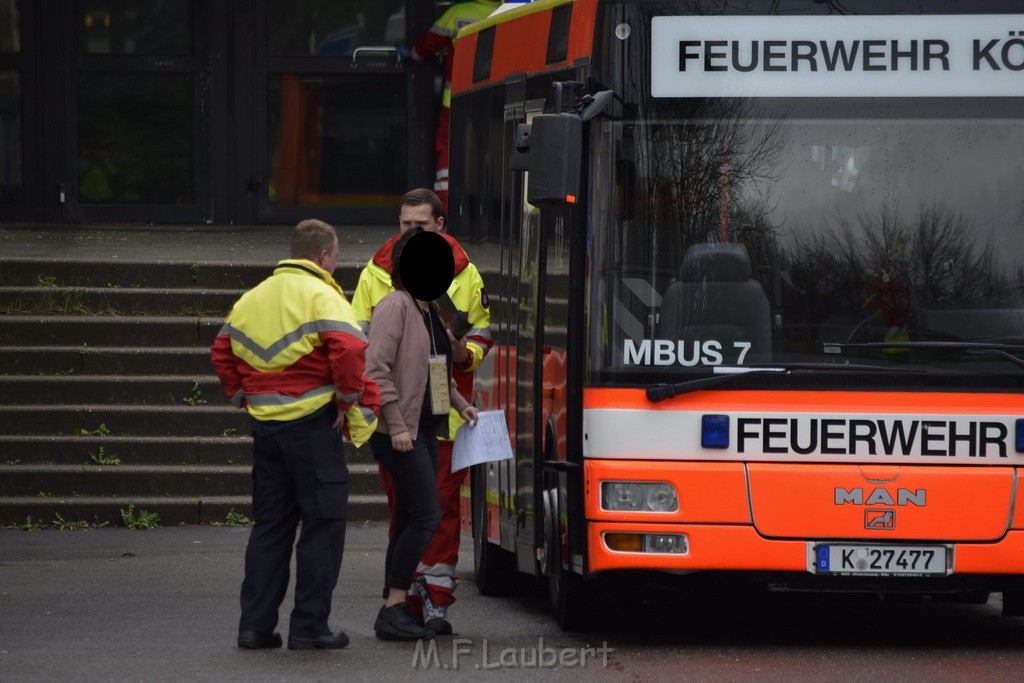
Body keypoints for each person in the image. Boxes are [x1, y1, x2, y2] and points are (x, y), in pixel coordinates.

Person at [210, 219, 380, 651]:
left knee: (270, 527)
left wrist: (246, 398)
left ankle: (255, 628)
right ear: (324, 256)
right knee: (323, 525)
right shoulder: (324, 295)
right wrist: (346, 402)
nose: (336, 265)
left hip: (267, 431)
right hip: (313, 428)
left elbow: (221, 350)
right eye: (336, 258)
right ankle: (309, 627)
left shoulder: (252, 298)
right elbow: (352, 349)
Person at [351, 188, 492, 636]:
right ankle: (401, 600)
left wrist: (462, 379)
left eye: (421, 225)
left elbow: (472, 341)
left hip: (438, 421)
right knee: (411, 510)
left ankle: (432, 597)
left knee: (438, 510)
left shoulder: (461, 275)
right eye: (405, 224)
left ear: (440, 225)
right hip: (402, 420)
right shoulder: (379, 277)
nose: (411, 232)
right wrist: (391, 420)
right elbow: (365, 352)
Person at [409, 0, 500, 213]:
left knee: (448, 150)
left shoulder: (458, 13)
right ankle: (486, 208)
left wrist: (410, 54)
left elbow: (423, 48)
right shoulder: (511, 11)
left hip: (456, 102)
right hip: (496, 100)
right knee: (489, 150)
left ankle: (445, 208)